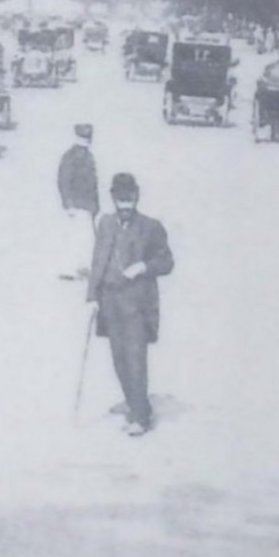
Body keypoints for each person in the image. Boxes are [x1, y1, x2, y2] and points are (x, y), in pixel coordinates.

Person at [86, 173, 175, 436]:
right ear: (113, 199)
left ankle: (141, 417)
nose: (125, 206)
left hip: (137, 305)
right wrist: (92, 297)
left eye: (130, 201)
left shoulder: (151, 227)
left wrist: (144, 266)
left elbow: (167, 262)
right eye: (120, 201)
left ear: (137, 198)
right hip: (110, 302)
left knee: (135, 359)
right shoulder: (105, 223)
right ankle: (135, 403)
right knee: (119, 360)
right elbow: (98, 262)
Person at [56, 123, 100, 281]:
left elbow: (93, 184)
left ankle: (82, 269)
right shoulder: (72, 157)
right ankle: (69, 270)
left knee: (86, 239)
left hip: (86, 205)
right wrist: (68, 203)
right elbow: (64, 181)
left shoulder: (85, 156)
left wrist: (95, 206)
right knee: (75, 237)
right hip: (77, 205)